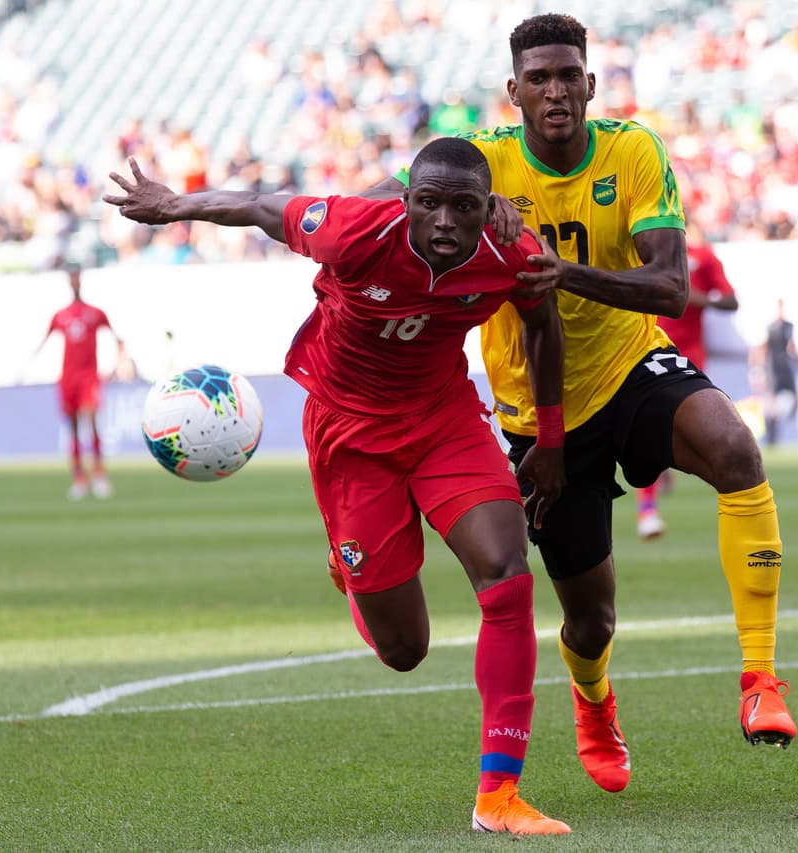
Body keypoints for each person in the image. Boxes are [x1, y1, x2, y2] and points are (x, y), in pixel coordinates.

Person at [372, 13, 796, 795]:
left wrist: (560, 271)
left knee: (735, 446)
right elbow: (382, 203)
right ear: (514, 91)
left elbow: (668, 286)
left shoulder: (632, 150)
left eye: (569, 75)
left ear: (591, 83)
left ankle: (761, 679)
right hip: (539, 417)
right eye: (539, 78)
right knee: (591, 619)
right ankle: (594, 699)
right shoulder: (483, 166)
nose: (556, 90)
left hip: (631, 366)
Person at [103, 138, 573, 836]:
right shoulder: (353, 229)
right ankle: (352, 573)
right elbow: (258, 206)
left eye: (464, 206)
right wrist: (175, 205)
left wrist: (551, 440)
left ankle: (498, 795)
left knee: (507, 575)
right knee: (404, 650)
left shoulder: (512, 250)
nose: (446, 221)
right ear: (406, 201)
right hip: (350, 438)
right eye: (430, 203)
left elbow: (542, 327)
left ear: (488, 208)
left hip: (444, 420)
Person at [635, 225, 739, 541]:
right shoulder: (642, 252)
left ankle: (667, 462)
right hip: (647, 348)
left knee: (687, 425)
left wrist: (695, 298)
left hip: (689, 355)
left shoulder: (703, 256)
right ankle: (647, 510)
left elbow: (731, 302)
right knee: (648, 425)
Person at [30, 264, 125, 500]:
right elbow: (43, 342)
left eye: (76, 277)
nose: (74, 281)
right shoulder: (60, 315)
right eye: (71, 278)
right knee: (72, 428)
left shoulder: (95, 313)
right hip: (67, 378)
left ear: (81, 280)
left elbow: (117, 338)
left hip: (88, 376)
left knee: (91, 421)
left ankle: (99, 475)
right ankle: (79, 477)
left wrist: (117, 365)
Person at [752, 298, 798, 447]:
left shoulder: (789, 326)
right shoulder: (770, 327)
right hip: (773, 367)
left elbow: (792, 346)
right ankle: (771, 437)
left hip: (786, 366)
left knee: (789, 401)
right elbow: (763, 347)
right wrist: (759, 366)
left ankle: (774, 434)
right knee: (771, 402)